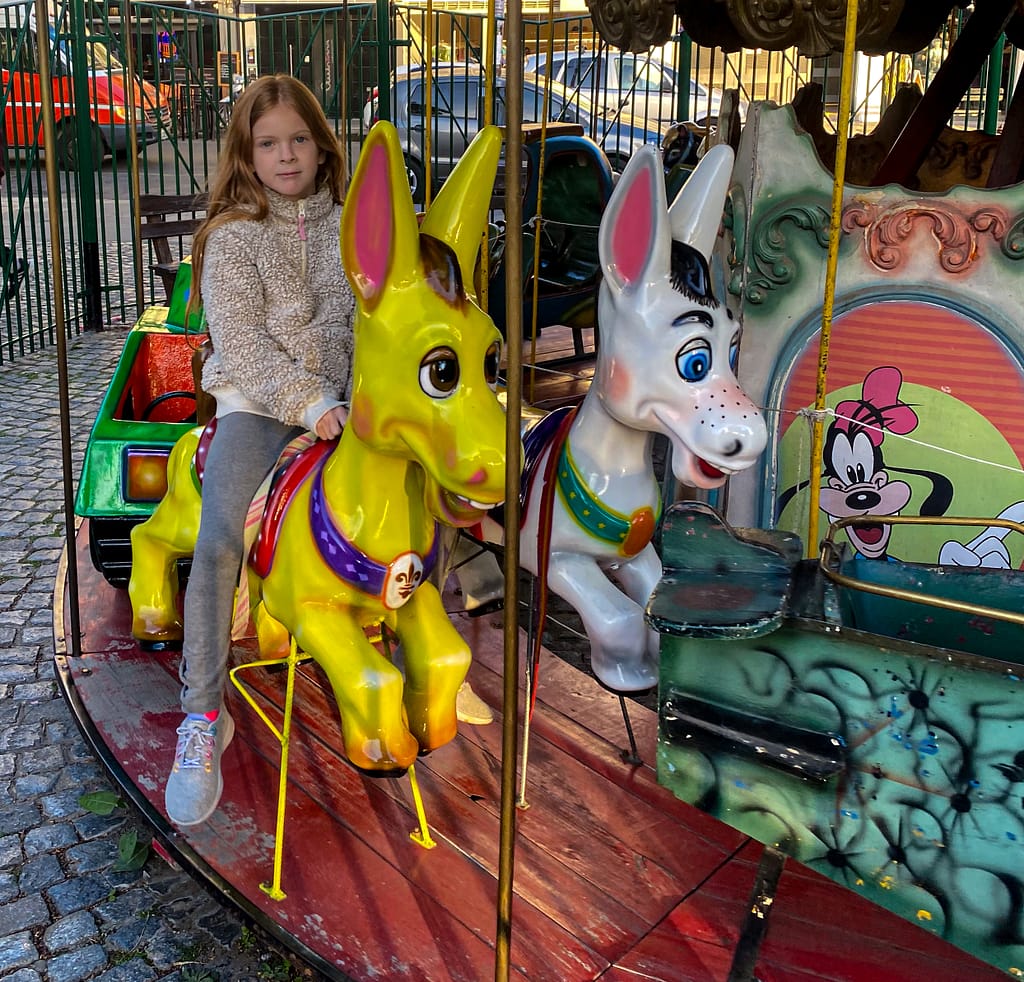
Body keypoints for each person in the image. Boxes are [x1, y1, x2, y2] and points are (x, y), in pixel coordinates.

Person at [166, 74, 354, 826]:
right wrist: (311, 403)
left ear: (321, 145)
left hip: (349, 399)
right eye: (269, 143)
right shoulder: (233, 235)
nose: (287, 156)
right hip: (260, 404)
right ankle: (202, 714)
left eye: (299, 139)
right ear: (245, 153)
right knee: (217, 543)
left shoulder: (351, 224)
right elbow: (241, 343)